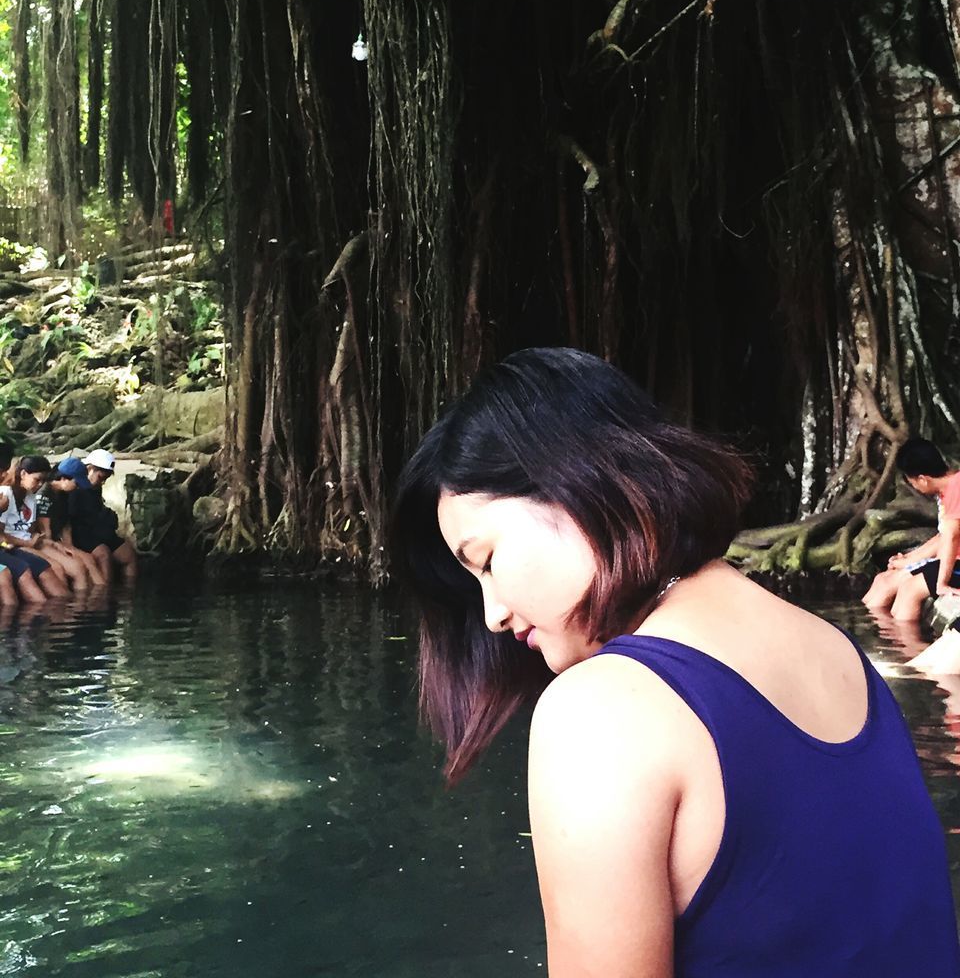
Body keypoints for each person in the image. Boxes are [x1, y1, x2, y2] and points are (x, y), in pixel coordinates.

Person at [390, 348, 960, 977]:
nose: (492, 613)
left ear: (586, 482)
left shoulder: (601, 709)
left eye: (489, 560)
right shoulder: (838, 652)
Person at [861, 438, 960, 621]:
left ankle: (907, 647)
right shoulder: (949, 490)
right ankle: (880, 638)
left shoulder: (957, 487)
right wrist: (909, 560)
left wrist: (941, 583)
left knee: (909, 591)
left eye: (912, 481)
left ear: (922, 479)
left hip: (957, 566)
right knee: (883, 580)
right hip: (954, 563)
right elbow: (943, 537)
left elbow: (951, 537)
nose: (913, 487)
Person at [0, 452, 71, 601]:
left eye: (43, 481)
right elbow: (2, 537)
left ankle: (66, 615)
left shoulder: (30, 496)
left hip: (23, 543)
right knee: (55, 567)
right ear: (23, 474)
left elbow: (29, 529)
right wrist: (28, 543)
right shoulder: (5, 494)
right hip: (13, 545)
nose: (40, 485)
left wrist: (45, 540)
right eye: (37, 480)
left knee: (48, 568)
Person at [62, 449, 137, 581]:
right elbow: (69, 517)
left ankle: (129, 594)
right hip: (81, 532)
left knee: (128, 553)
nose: (102, 482)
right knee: (103, 555)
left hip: (97, 530)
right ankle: (103, 594)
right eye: (101, 478)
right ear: (90, 469)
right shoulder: (74, 485)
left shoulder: (95, 487)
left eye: (105, 479)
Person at [35, 458, 107, 588]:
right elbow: (45, 532)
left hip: (58, 541)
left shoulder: (64, 495)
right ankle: (83, 604)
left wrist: (71, 547)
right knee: (78, 567)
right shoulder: (44, 495)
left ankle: (101, 596)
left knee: (89, 559)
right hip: (46, 542)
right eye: (77, 483)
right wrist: (64, 550)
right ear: (64, 479)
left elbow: (66, 527)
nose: (78, 487)